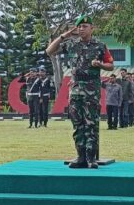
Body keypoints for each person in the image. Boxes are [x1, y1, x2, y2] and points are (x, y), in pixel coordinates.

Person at [46, 14, 114, 169]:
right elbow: (49, 51)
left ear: (92, 28)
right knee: (77, 124)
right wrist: (64, 35)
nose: (81, 29)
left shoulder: (100, 46)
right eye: (79, 27)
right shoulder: (71, 44)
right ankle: (80, 157)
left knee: (91, 124)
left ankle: (91, 159)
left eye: (85, 26)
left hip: (91, 90)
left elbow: (111, 66)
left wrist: (100, 65)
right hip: (75, 89)